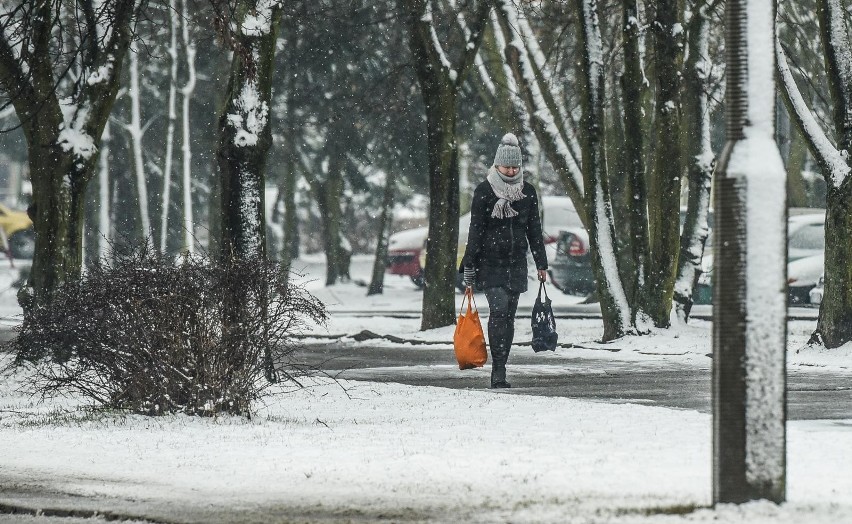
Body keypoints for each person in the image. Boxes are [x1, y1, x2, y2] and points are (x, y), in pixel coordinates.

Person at [460, 133, 548, 389]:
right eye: (507, 166)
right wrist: (469, 263)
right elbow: (475, 229)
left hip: (516, 264)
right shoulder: (484, 191)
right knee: (498, 312)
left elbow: (534, 230)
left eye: (515, 166)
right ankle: (497, 371)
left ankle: (502, 364)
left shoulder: (527, 193)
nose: (511, 170)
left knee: (508, 316)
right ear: (497, 165)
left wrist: (541, 263)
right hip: (490, 263)